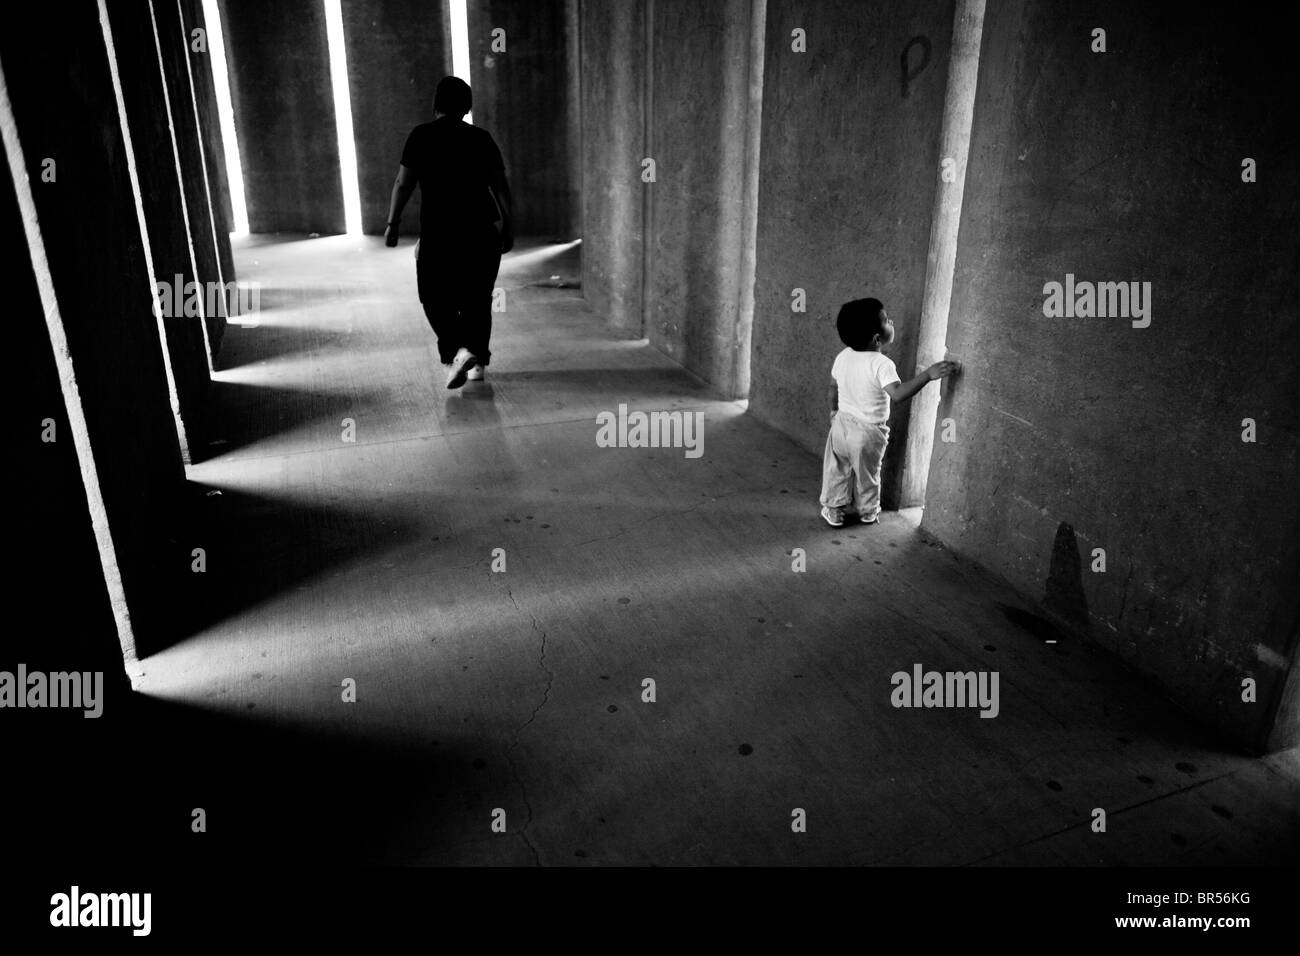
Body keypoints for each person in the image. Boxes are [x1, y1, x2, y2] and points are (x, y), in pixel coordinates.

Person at [385, 76, 514, 389]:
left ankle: (457, 350)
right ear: (467, 107)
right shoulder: (481, 139)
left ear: (435, 105)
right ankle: (476, 363)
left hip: (439, 233)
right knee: (478, 298)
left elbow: (404, 183)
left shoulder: (421, 136)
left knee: (433, 295)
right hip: (482, 230)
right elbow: (501, 188)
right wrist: (510, 227)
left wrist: (393, 223)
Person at [819, 298, 958, 527]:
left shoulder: (843, 356)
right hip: (867, 432)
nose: (891, 321)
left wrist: (833, 411)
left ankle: (833, 510)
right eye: (886, 320)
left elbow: (833, 387)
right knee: (868, 475)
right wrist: (927, 375)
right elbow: (898, 394)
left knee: (836, 470)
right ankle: (868, 512)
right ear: (877, 338)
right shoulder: (882, 363)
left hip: (840, 425)